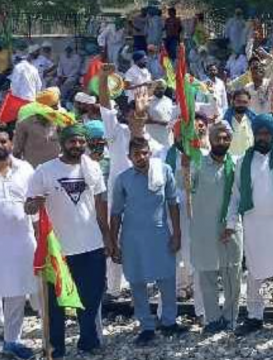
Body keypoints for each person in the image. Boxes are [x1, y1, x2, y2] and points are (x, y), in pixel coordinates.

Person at [25, 124, 112, 358]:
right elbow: (28, 205)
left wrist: (108, 237)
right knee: (56, 305)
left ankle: (88, 341)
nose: (77, 146)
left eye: (81, 141)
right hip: (58, 250)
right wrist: (35, 205)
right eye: (72, 141)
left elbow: (100, 203)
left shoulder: (92, 168)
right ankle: (56, 348)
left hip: (91, 245)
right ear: (62, 143)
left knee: (91, 298)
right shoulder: (44, 171)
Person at [225, 114, 273, 336]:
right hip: (255, 224)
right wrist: (231, 222)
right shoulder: (243, 162)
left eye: (267, 133)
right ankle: (254, 316)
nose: (262, 137)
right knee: (255, 272)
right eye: (259, 133)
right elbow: (235, 195)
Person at [109, 137, 183, 346]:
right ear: (129, 157)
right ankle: (146, 326)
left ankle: (169, 321)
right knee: (137, 281)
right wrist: (114, 243)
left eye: (144, 153)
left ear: (150, 153)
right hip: (132, 238)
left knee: (167, 278)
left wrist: (176, 233)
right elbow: (115, 213)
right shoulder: (123, 179)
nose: (141, 158)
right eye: (136, 154)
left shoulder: (164, 171)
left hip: (159, 234)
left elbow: (173, 203)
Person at [181, 122, 243, 333]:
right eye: (218, 138)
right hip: (204, 229)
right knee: (207, 275)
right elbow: (186, 187)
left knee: (232, 274)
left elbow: (239, 196)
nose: (222, 142)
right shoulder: (198, 162)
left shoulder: (236, 163)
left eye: (226, 138)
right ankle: (213, 319)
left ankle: (231, 317)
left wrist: (231, 224)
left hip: (231, 228)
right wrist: (186, 167)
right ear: (211, 139)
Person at [0, 130, 36, 360]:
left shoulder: (25, 169)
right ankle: (10, 341)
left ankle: (15, 341)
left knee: (26, 292)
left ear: (11, 142)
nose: (0, 146)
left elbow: (35, 202)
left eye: (2, 141)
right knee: (9, 293)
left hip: (23, 242)